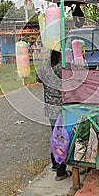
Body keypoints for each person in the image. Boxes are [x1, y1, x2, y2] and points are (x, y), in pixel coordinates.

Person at [36, 50, 71, 181]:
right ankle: (61, 172)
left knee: (54, 136)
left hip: (50, 109)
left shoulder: (44, 70)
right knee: (61, 138)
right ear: (59, 56)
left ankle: (55, 164)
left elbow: (37, 78)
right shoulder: (61, 69)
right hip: (61, 109)